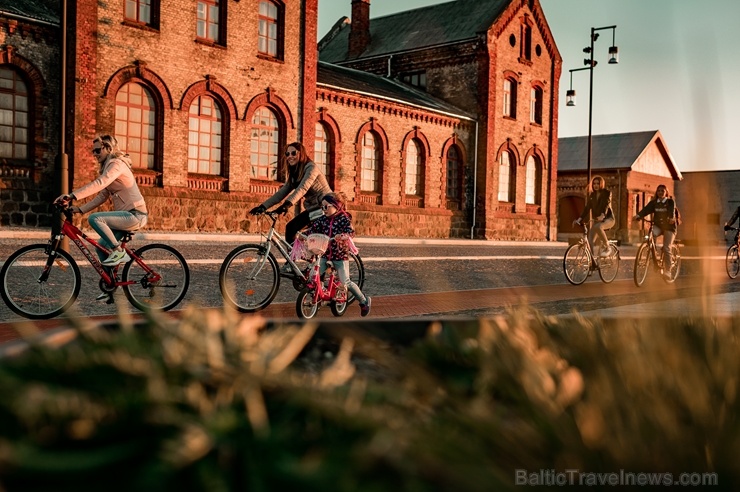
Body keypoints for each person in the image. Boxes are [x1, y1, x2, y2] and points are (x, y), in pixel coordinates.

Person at [54, 135, 148, 299]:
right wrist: (79, 209)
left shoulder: (116, 164)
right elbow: (101, 196)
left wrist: (71, 195)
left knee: (96, 219)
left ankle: (119, 251)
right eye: (93, 151)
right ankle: (110, 287)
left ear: (108, 148)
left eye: (98, 150)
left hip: (135, 215)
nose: (95, 154)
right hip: (126, 216)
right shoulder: (108, 168)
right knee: (101, 247)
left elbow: (100, 183)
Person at [249, 141, 332, 272]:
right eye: (287, 154)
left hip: (325, 207)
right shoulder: (294, 173)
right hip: (313, 209)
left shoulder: (311, 168)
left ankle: (305, 263)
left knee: (302, 232)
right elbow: (283, 191)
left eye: (294, 153)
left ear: (302, 153)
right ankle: (296, 261)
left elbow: (303, 188)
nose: (290, 156)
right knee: (291, 228)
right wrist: (263, 207)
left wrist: (287, 204)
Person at [304, 192, 371, 317]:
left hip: (340, 256)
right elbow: (313, 229)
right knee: (314, 272)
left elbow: (350, 231)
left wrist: (343, 236)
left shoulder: (343, 219)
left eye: (326, 207)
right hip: (324, 253)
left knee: (345, 281)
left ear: (336, 206)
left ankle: (363, 301)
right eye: (322, 207)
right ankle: (319, 292)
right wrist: (304, 235)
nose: (324, 210)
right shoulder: (322, 220)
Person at [632, 184, 676, 278]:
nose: (660, 192)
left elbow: (671, 211)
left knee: (667, 248)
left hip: (669, 227)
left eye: (662, 191)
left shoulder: (670, 202)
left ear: (666, 192)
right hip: (658, 226)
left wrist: (671, 218)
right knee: (651, 236)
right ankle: (654, 255)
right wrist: (638, 215)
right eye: (658, 191)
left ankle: (668, 271)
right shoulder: (654, 203)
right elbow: (646, 210)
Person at [572, 175, 615, 265]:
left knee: (599, 226)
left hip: (608, 219)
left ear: (601, 184)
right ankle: (593, 263)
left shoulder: (607, 193)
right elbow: (587, 208)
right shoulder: (592, 195)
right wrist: (579, 219)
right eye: (594, 183)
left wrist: (603, 215)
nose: (595, 185)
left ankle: (608, 247)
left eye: (598, 183)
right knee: (590, 240)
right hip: (597, 221)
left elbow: (606, 204)